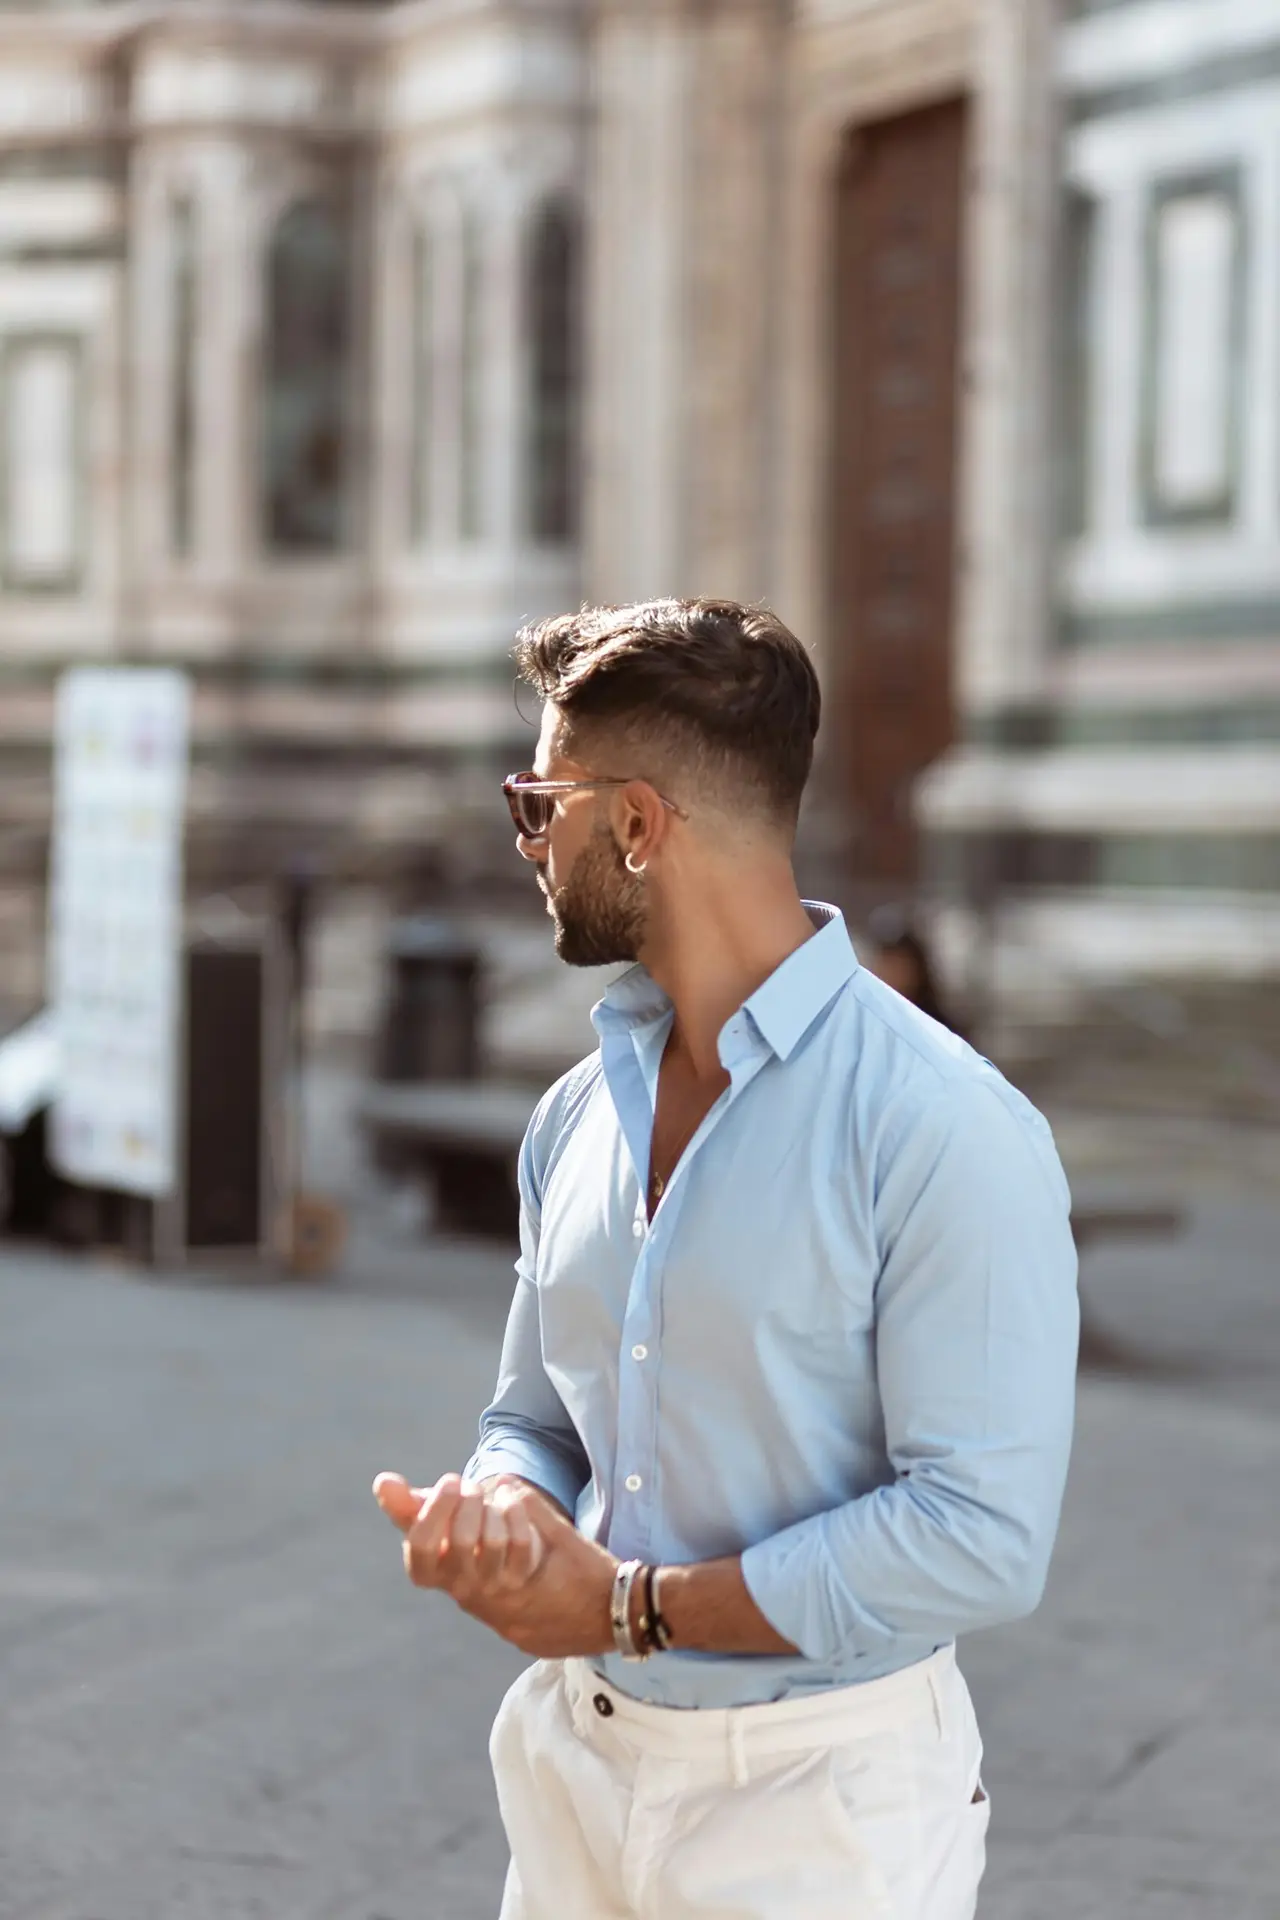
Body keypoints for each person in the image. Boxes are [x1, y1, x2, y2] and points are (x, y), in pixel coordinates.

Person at [374, 597, 1079, 1920]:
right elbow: (533, 1413)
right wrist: (505, 1507)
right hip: (574, 1769)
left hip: (823, 1809)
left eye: (542, 806)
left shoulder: (944, 1126)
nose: (528, 843)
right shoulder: (575, 1115)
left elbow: (982, 1537)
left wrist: (633, 1605)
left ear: (634, 826)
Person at [865, 902, 966, 1038]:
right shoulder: (868, 1021)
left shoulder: (939, 1028)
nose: (892, 974)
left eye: (899, 966)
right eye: (887, 964)